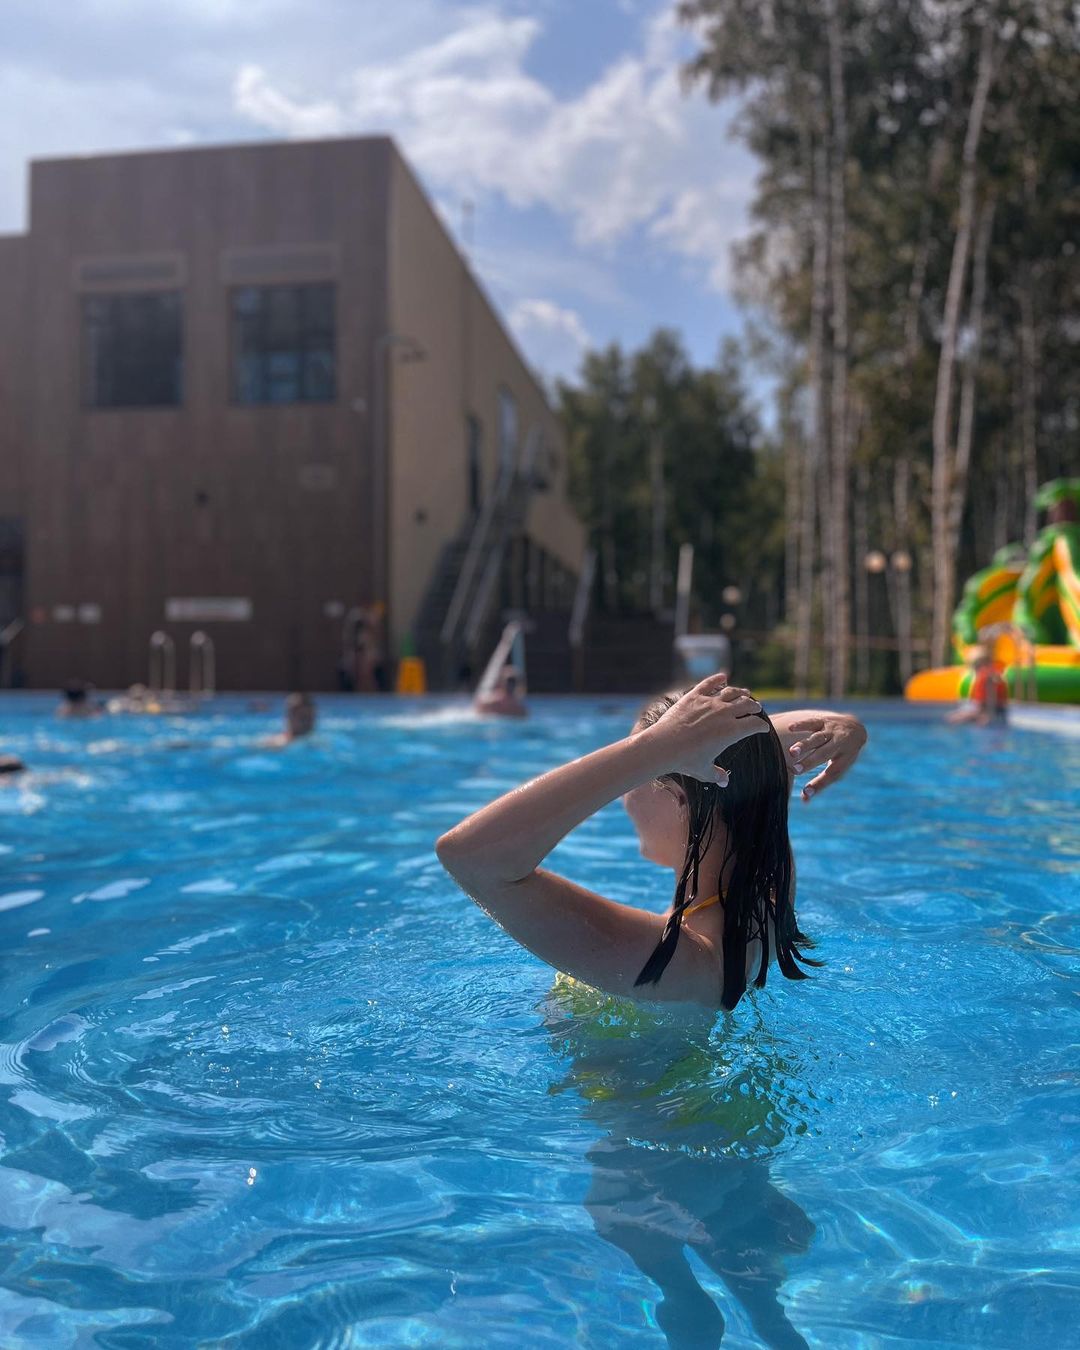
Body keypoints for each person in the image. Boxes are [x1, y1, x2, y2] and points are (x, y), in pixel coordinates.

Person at [437, 674, 868, 1010]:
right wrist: (846, 726)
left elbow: (471, 858)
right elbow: (756, 754)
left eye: (636, 775)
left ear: (679, 799)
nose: (623, 796)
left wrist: (657, 746)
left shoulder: (675, 959)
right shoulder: (765, 903)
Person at [946, 645, 1008, 725]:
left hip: (991, 711)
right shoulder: (989, 673)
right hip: (990, 709)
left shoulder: (988, 676)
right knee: (955, 717)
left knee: (953, 719)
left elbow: (991, 702)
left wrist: (986, 715)